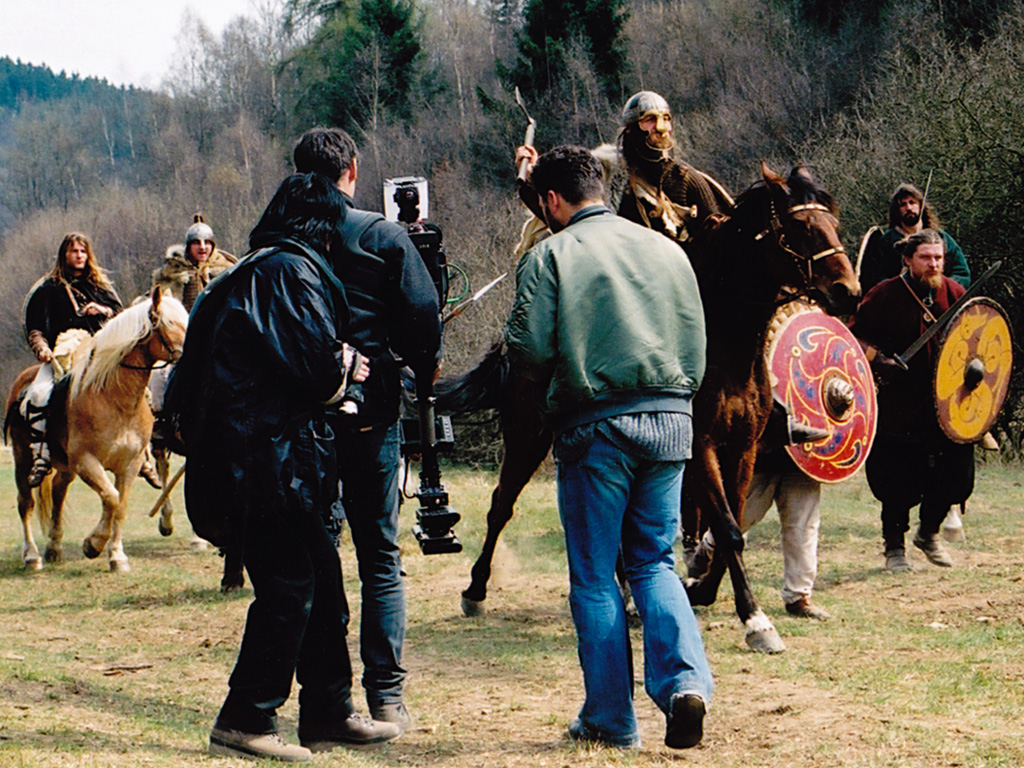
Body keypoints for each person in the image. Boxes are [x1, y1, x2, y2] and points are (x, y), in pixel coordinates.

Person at [165, 173, 392, 762]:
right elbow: (319, 371)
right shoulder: (286, 273)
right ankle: (245, 718)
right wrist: (347, 367)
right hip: (262, 465)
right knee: (292, 584)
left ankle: (327, 712)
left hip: (258, 462)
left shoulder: (252, 273)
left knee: (320, 580)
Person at [506, 145, 713, 750]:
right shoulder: (668, 250)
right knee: (655, 561)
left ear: (550, 200)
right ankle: (683, 686)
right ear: (599, 185)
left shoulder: (548, 256)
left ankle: (610, 719)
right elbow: (697, 349)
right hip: (672, 421)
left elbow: (528, 352)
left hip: (596, 428)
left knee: (597, 577)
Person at [292, 127, 442, 733]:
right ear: (352, 171)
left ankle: (324, 698)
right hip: (371, 417)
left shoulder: (284, 243)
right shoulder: (382, 234)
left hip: (302, 423)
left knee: (315, 556)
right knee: (380, 555)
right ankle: (387, 696)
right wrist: (402, 361)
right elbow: (424, 317)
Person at [849, 229, 973, 572]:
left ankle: (929, 532)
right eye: (926, 258)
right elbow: (854, 335)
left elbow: (976, 336)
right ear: (908, 260)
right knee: (897, 479)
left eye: (938, 258)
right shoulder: (885, 293)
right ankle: (894, 547)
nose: (934, 264)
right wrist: (878, 359)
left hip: (945, 405)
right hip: (899, 403)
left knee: (957, 477)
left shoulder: (955, 292)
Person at [21, 233, 123, 486]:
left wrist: (103, 309)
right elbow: (35, 329)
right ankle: (42, 455)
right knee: (38, 394)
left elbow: (123, 318)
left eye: (83, 251)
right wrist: (42, 348)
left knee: (137, 392)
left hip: (98, 356)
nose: (79, 255)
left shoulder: (101, 288)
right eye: (74, 251)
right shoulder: (47, 289)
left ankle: (142, 454)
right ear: (64, 255)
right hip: (61, 356)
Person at [691, 449, 830, 620]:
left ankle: (799, 596)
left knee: (803, 526)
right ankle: (707, 550)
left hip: (805, 458)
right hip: (761, 455)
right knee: (740, 519)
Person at [859, 182, 971, 294]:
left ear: (920, 206)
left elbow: (962, 273)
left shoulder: (941, 237)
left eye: (912, 203)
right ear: (897, 210)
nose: (908, 208)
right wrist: (896, 288)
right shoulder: (886, 241)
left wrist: (941, 287)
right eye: (903, 204)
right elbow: (875, 279)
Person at [152, 213, 237, 312]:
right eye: (196, 242)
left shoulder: (227, 271)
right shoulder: (172, 272)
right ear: (189, 247)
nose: (202, 247)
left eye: (206, 242)